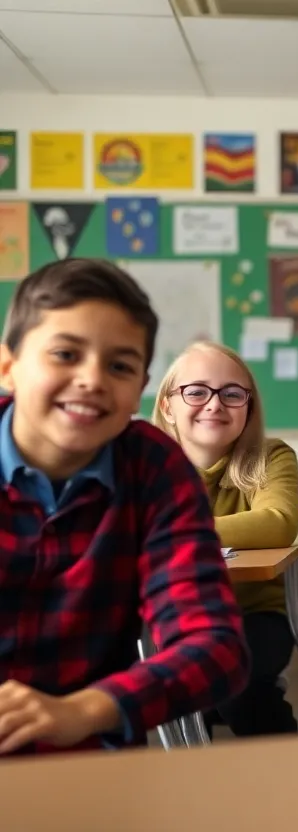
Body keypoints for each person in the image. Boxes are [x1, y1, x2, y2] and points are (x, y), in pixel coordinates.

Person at [0, 258, 248, 754]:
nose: (92, 379)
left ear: (140, 389)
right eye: (66, 354)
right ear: (8, 367)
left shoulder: (154, 468)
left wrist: (84, 711)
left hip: (89, 759)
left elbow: (215, 647)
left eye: (119, 365)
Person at [153, 341, 298, 736]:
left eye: (232, 394)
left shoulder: (270, 456)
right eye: (196, 391)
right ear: (168, 405)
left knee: (235, 682)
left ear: (248, 408)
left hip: (252, 615)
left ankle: (296, 777)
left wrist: (171, 531)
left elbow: (278, 522)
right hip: (166, 619)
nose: (215, 404)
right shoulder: (144, 464)